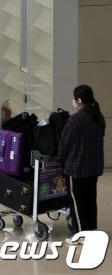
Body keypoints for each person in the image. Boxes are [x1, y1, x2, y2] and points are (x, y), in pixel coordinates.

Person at [57, 85, 105, 243]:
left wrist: (59, 157)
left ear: (78, 101)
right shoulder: (98, 117)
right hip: (94, 166)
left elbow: (64, 143)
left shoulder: (76, 119)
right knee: (91, 199)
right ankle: (91, 231)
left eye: (74, 99)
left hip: (78, 167)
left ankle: (83, 235)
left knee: (80, 201)